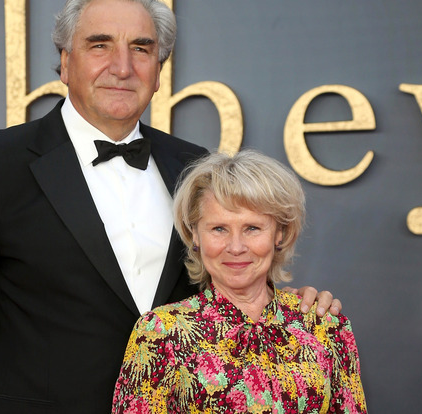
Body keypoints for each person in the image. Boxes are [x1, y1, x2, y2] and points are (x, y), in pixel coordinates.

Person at [0, 0, 340, 413]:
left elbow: (226, 289)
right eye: (100, 45)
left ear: (159, 73)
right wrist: (28, 377)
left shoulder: (195, 167)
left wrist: (295, 311)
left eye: (142, 49)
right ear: (65, 61)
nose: (123, 67)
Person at [112, 150, 367, 413]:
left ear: (279, 233)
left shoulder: (325, 326)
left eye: (252, 228)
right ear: (195, 234)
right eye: (219, 229)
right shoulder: (161, 332)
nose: (236, 247)